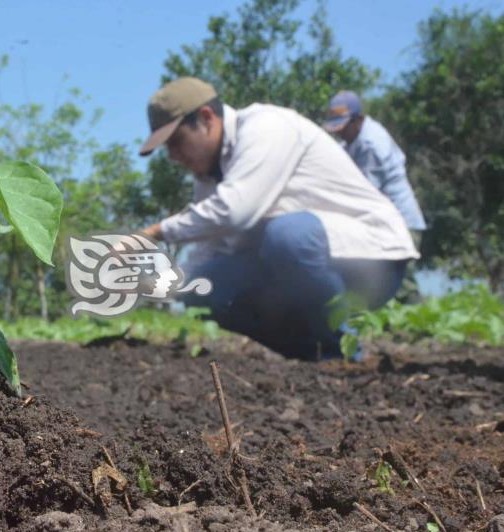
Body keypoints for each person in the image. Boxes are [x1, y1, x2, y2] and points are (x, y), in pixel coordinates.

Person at [138, 77, 419, 360]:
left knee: (288, 236)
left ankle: (341, 353)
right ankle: (311, 356)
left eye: (176, 142)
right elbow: (210, 248)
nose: (173, 156)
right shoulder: (209, 176)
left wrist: (153, 233)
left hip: (371, 262)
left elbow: (235, 210)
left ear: (207, 117)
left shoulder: (266, 127)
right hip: (303, 266)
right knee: (203, 285)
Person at [323, 91, 426, 233]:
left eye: (343, 127)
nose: (339, 132)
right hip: (387, 223)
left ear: (357, 119)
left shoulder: (370, 144)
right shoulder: (355, 138)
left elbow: (366, 192)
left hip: (401, 226)